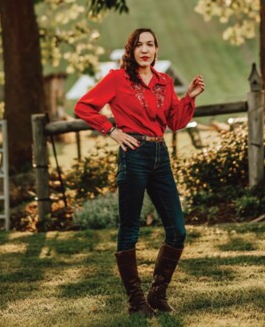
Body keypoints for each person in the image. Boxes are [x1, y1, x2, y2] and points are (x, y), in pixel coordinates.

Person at [74, 28, 205, 317]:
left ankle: (157, 294)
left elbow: (175, 122)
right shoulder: (117, 79)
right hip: (133, 155)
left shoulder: (164, 81)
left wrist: (189, 98)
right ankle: (136, 301)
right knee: (130, 228)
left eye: (150, 44)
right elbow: (83, 106)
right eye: (139, 45)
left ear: (156, 50)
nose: (145, 50)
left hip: (160, 156)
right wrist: (111, 130)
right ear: (131, 50)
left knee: (178, 230)